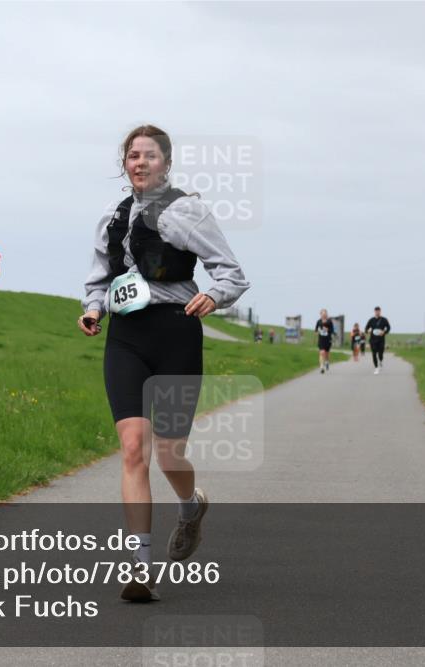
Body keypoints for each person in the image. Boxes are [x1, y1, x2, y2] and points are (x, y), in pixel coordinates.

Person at [78, 125, 249, 602]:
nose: (140, 162)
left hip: (176, 333)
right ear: (125, 164)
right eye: (133, 155)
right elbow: (99, 279)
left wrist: (214, 296)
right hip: (126, 338)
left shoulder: (187, 211)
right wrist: (93, 309)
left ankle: (191, 508)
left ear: (167, 163)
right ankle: (141, 565)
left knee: (170, 453)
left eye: (150, 155)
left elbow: (232, 273)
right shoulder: (112, 217)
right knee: (134, 448)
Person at [365, 306, 391, 374]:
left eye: (378, 311)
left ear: (380, 311)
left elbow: (388, 327)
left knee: (380, 354)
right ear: (374, 312)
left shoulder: (384, 320)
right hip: (373, 340)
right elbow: (366, 328)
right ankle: (376, 368)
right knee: (374, 354)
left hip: (381, 340)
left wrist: (384, 332)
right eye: (376, 311)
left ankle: (380, 361)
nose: (377, 312)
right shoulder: (371, 320)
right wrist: (368, 331)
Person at [315, 309, 336, 373]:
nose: (324, 315)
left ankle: (327, 362)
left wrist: (327, 330)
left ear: (326, 314)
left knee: (327, 353)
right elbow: (316, 330)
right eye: (322, 314)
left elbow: (332, 331)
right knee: (322, 352)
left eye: (325, 314)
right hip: (321, 339)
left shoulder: (329, 321)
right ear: (320, 314)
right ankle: (322, 367)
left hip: (328, 339)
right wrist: (317, 332)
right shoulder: (318, 321)